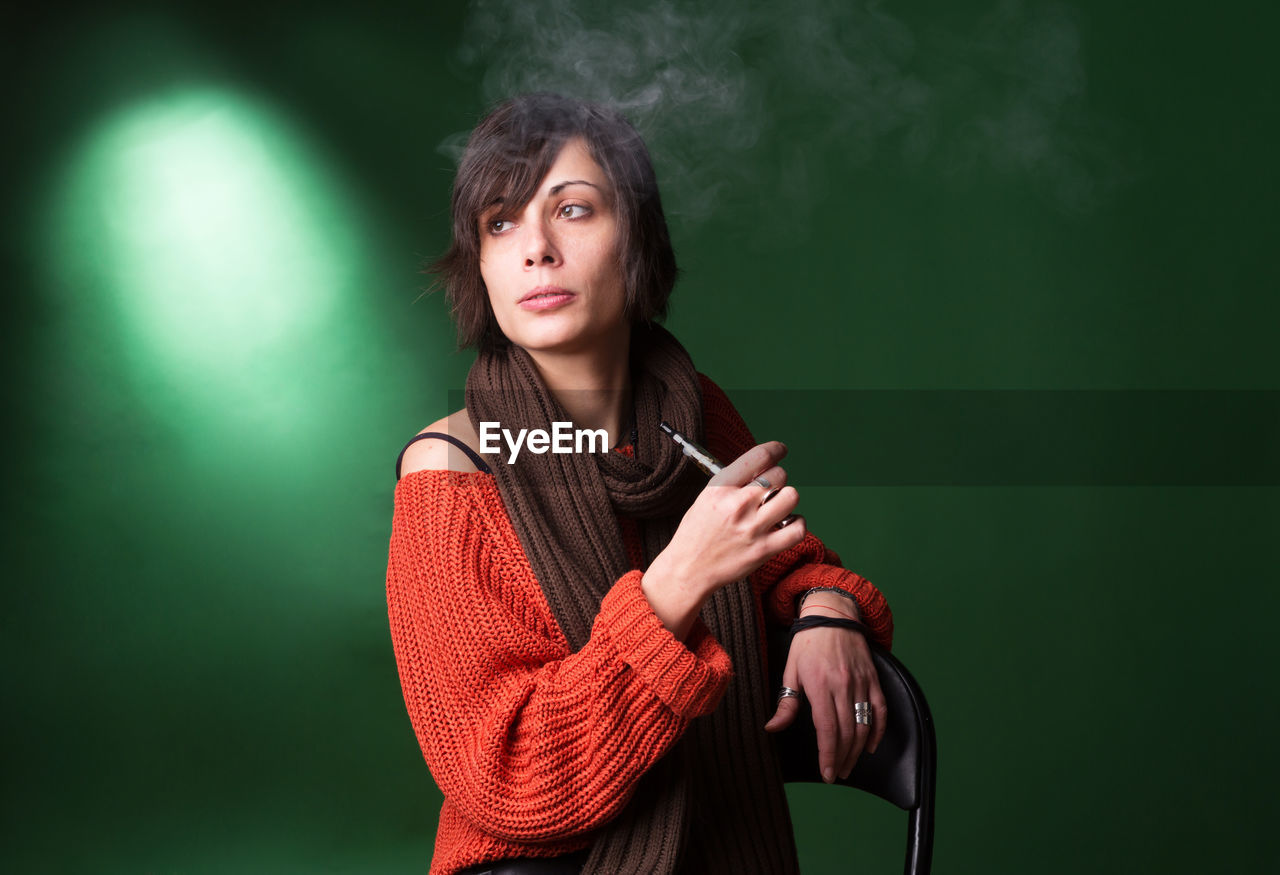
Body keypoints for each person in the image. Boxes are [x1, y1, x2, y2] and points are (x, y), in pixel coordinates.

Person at [385, 92, 895, 875]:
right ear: (479, 263)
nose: (536, 249)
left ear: (638, 239)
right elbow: (509, 778)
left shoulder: (689, 412)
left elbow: (784, 565)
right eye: (500, 222)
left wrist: (830, 609)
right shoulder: (450, 474)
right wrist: (678, 581)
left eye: (575, 210)